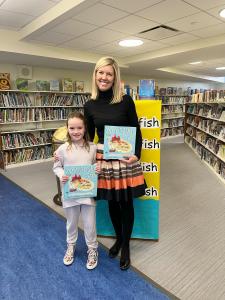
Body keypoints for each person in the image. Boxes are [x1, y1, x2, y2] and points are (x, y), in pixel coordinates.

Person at [84, 56, 146, 271]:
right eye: (101, 72)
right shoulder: (89, 104)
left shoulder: (125, 101)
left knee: (126, 203)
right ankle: (119, 238)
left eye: (109, 73)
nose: (104, 77)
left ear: (115, 77)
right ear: (95, 75)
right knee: (111, 202)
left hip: (125, 160)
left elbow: (137, 131)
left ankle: (126, 246)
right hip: (105, 161)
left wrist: (136, 154)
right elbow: (89, 138)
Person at [53, 111, 100, 269]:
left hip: (87, 194)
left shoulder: (92, 148)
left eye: (79, 127)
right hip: (70, 193)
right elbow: (57, 167)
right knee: (71, 223)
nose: (76, 131)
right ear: (67, 129)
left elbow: (94, 165)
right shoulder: (62, 149)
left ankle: (92, 249)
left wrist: (96, 169)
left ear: (85, 128)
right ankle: (71, 246)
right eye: (72, 128)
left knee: (90, 223)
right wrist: (62, 175)